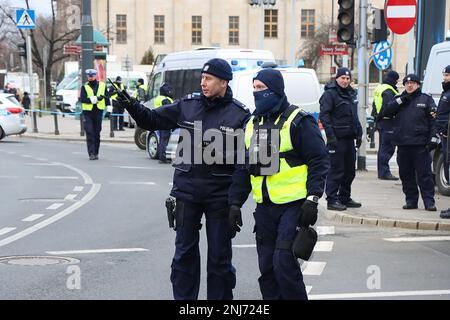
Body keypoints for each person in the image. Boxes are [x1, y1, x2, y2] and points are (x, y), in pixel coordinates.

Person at [116, 58, 250, 300]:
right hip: (187, 193)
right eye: (202, 78)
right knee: (183, 256)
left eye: (208, 79)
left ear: (223, 82)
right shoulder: (188, 106)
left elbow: (245, 163)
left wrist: (236, 202)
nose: (203, 83)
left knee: (220, 259)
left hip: (220, 196)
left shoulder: (239, 115)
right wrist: (131, 105)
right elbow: (152, 120)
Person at [228, 68, 329, 300]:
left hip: (293, 206)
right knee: (267, 269)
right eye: (254, 88)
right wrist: (234, 203)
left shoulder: (298, 120)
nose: (256, 93)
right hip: (264, 208)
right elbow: (244, 169)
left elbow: (319, 160)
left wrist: (313, 199)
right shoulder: (253, 124)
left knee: (284, 261)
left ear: (275, 90)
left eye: (261, 88)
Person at [383, 74, 438, 211]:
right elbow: (386, 112)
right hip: (403, 144)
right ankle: (411, 201)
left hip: (420, 145)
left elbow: (434, 122)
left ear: (418, 85)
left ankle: (429, 202)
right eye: (407, 83)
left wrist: (433, 139)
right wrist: (401, 100)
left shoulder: (426, 99)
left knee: (424, 176)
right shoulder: (399, 100)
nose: (409, 85)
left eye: (413, 83)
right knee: (406, 175)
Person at [319, 67, 363, 211]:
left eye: (347, 78)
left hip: (349, 139)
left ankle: (345, 197)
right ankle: (332, 199)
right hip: (336, 140)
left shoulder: (351, 94)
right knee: (336, 171)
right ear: (336, 78)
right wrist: (331, 137)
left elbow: (354, 116)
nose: (345, 81)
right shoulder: (330, 94)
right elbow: (324, 117)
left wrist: (359, 133)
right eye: (342, 78)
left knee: (350, 171)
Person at [372, 70, 400, 180]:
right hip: (387, 122)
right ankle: (384, 172)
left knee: (383, 148)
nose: (397, 82)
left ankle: (382, 172)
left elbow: (375, 105)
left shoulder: (380, 87)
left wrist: (377, 119)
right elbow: (387, 108)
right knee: (387, 148)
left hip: (382, 122)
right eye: (396, 80)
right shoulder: (388, 91)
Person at [79, 69, 107, 160]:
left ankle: (96, 152)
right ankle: (91, 153)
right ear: (87, 76)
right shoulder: (84, 87)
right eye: (89, 76)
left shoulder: (102, 86)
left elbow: (106, 97)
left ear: (96, 76)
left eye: (92, 76)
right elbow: (82, 99)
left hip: (98, 112)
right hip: (88, 113)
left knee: (97, 133)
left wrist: (109, 109)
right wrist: (94, 99)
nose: (91, 77)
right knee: (90, 132)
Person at [435, 66, 450, 219]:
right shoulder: (446, 92)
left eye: (447, 75)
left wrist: (445, 129)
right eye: (444, 75)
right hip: (445, 136)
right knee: (447, 167)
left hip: (448, 136)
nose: (444, 78)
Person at [154, 82, 174, 163]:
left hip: (159, 121)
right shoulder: (165, 99)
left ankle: (160, 156)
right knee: (164, 140)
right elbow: (169, 111)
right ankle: (162, 158)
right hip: (165, 122)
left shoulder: (158, 98)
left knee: (161, 139)